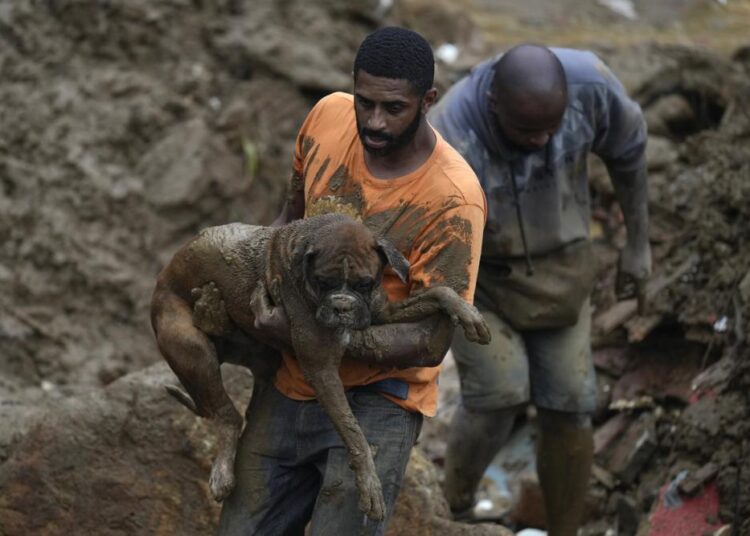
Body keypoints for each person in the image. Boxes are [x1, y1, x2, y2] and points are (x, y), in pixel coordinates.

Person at [217, 27, 487, 535]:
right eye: (365, 103)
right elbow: (286, 221)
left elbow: (429, 343)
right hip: (291, 380)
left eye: (393, 108)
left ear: (428, 100)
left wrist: (314, 338)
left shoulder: (452, 201)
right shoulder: (327, 118)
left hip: (380, 400)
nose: (374, 122)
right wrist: (259, 298)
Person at [427, 44, 651, 535]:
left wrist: (638, 243)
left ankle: (564, 528)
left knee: (571, 404)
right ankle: (451, 508)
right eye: (528, 132)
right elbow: (434, 244)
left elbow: (630, 154)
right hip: (481, 279)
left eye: (552, 128)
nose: (544, 141)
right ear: (494, 106)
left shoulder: (592, 86)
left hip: (562, 273)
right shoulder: (451, 134)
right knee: (499, 395)